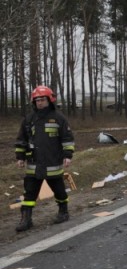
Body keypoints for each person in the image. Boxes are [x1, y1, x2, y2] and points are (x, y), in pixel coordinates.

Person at [14, 85, 75, 232]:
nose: (39, 102)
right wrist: (20, 157)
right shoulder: (29, 119)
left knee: (59, 190)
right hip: (34, 164)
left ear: (50, 100)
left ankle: (63, 212)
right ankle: (26, 219)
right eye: (37, 100)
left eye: (42, 99)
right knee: (29, 193)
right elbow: (21, 139)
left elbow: (67, 138)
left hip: (53, 163)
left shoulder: (59, 118)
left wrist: (67, 155)